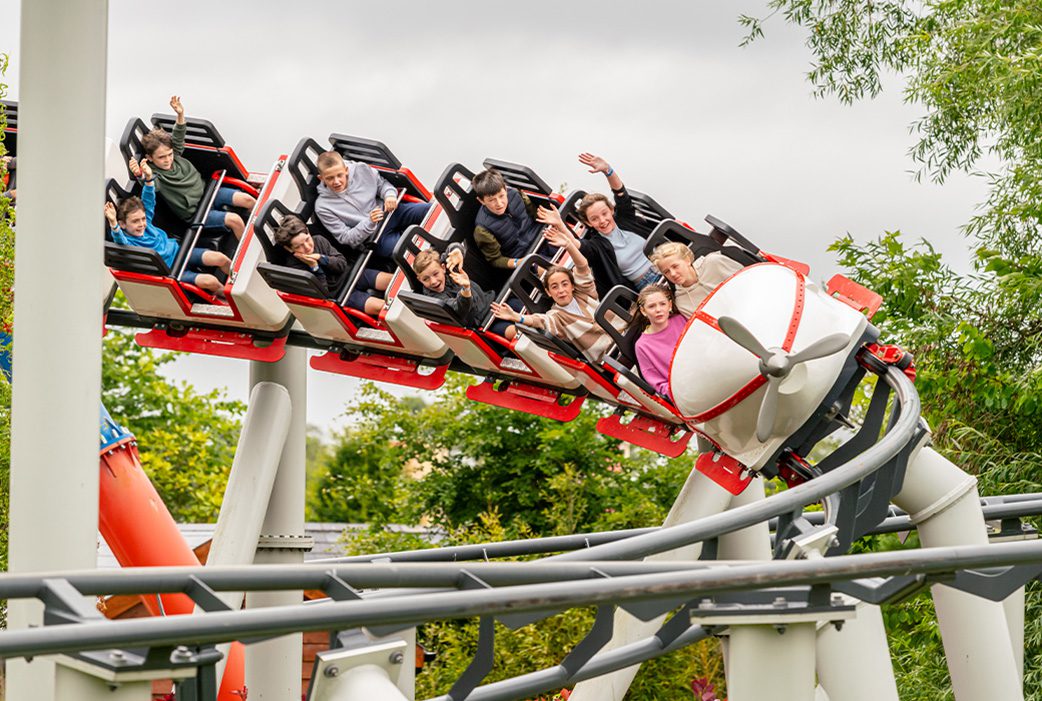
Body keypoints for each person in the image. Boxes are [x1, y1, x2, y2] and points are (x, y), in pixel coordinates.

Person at [491, 209, 621, 364]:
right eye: (554, 287)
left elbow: (582, 266)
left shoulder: (585, 292)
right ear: (548, 292)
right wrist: (518, 318)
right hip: (609, 357)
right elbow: (540, 321)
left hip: (623, 334)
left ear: (572, 286)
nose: (561, 290)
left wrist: (568, 245)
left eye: (565, 284)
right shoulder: (557, 317)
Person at [104, 158, 230, 296]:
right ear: (123, 224)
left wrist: (148, 177)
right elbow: (120, 240)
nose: (141, 224)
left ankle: (235, 279)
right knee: (210, 281)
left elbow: (149, 199)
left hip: (181, 252)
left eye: (142, 219)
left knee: (220, 258)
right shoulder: (129, 242)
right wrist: (113, 223)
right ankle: (225, 296)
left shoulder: (147, 224)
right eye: (135, 222)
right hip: (173, 271)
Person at [140, 96, 256, 239]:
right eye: (161, 157)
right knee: (235, 220)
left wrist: (180, 114)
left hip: (208, 193)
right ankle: (246, 253)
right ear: (150, 158)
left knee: (248, 200)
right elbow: (150, 185)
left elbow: (178, 136)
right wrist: (144, 174)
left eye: (169, 154)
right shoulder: (156, 175)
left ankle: (260, 231)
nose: (168, 160)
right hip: (196, 213)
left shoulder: (174, 155)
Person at [314, 151, 430, 259]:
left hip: (391, 212)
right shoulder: (322, 207)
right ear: (321, 178)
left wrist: (389, 195)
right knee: (409, 251)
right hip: (376, 237)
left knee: (427, 210)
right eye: (330, 178)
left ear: (346, 170)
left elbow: (383, 185)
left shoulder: (361, 169)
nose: (336, 182)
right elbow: (346, 238)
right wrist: (369, 222)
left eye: (339, 175)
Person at [574, 153, 659, 295]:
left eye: (604, 213)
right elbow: (578, 245)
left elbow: (621, 194)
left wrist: (608, 170)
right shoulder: (597, 245)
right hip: (646, 284)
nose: (602, 221)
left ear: (611, 210)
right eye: (594, 219)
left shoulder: (625, 219)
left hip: (664, 263)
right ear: (588, 222)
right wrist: (559, 224)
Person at [274, 214, 392, 316]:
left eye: (307, 239)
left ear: (308, 232)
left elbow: (341, 264)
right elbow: (323, 294)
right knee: (383, 307)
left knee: (391, 281)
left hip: (353, 274)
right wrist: (314, 267)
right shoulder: (295, 269)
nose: (307, 247)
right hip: (342, 294)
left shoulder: (318, 240)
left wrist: (322, 258)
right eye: (298, 246)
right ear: (289, 249)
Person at [412, 244, 516, 339]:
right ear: (419, 280)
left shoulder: (448, 266)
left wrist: (457, 251)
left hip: (492, 302)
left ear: (443, 268)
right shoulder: (435, 298)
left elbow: (452, 248)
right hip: (483, 323)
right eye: (426, 279)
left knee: (523, 309)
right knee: (513, 333)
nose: (433, 281)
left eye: (435, 274)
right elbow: (458, 308)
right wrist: (465, 289)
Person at [472, 168, 548, 271]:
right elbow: (495, 260)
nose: (499, 203)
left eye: (501, 196)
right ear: (481, 201)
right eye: (492, 200)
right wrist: (519, 262)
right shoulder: (482, 229)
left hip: (544, 236)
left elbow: (535, 213)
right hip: (525, 257)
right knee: (552, 271)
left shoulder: (516, 194)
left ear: (506, 189)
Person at [650, 241, 744, 317]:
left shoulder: (714, 262)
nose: (673, 274)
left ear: (687, 260)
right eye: (666, 272)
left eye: (675, 266)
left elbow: (748, 279)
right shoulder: (682, 303)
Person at [630, 284, 686, 399]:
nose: (658, 310)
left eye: (662, 304)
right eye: (651, 306)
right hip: (683, 391)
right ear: (643, 311)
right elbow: (658, 383)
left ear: (669, 305)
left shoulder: (681, 319)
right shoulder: (642, 346)